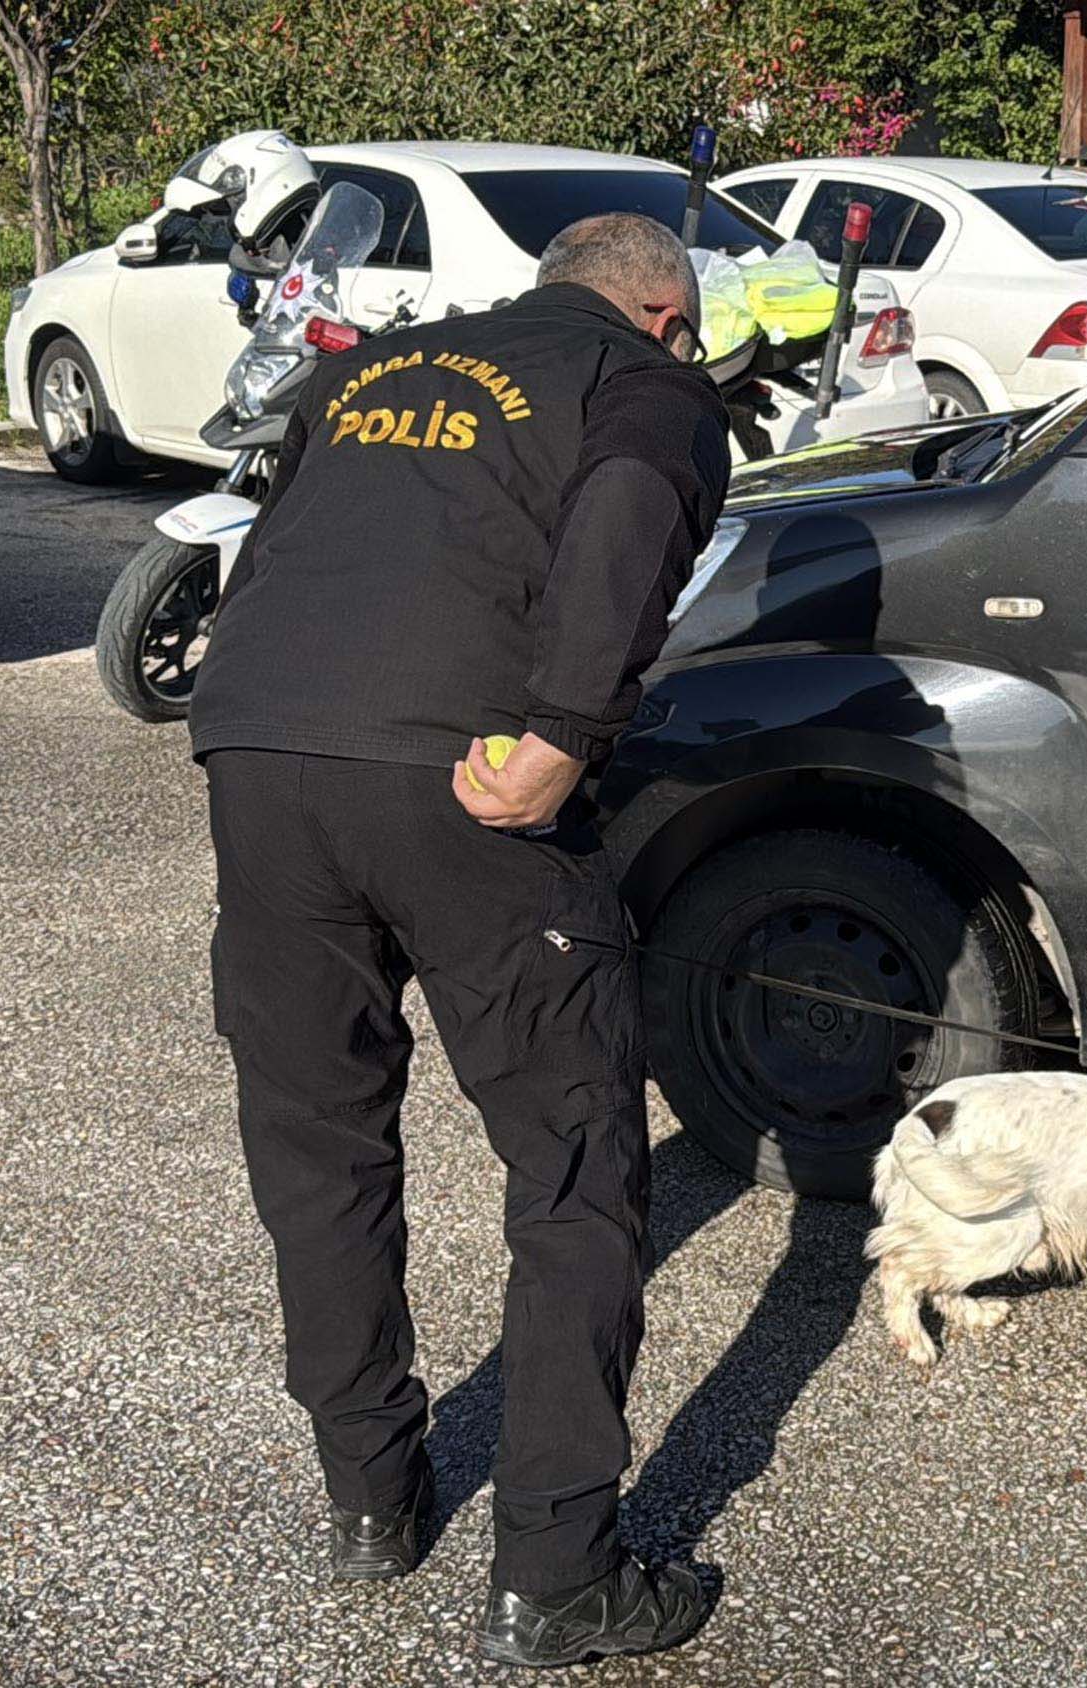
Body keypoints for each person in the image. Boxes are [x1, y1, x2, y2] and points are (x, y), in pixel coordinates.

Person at [188, 211, 730, 1669]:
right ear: (663, 319)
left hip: (260, 758)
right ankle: (559, 1570)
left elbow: (281, 535)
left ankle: (372, 1502)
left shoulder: (374, 369)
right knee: (571, 1165)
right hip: (465, 781)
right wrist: (566, 733)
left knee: (319, 1143)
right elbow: (625, 525)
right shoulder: (645, 385)